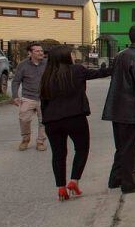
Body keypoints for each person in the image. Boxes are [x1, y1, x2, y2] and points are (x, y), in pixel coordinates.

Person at [40, 45, 111, 200]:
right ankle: (74, 181)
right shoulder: (77, 70)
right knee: (81, 149)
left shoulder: (47, 75)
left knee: (58, 154)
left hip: (52, 121)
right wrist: (114, 66)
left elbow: (43, 101)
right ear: (65, 56)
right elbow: (101, 73)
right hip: (75, 117)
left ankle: (60, 188)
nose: (73, 56)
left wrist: (45, 120)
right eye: (71, 54)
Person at [102, 25, 135, 194]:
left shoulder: (122, 55)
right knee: (131, 149)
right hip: (132, 109)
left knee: (122, 146)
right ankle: (130, 182)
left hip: (117, 107)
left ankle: (116, 178)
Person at [11, 43, 47, 151]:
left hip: (44, 98)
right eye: (37, 51)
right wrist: (15, 96)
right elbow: (16, 81)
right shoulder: (23, 65)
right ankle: (25, 139)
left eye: (41, 51)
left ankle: (40, 141)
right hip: (28, 97)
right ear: (30, 53)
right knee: (24, 118)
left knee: (44, 121)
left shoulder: (47, 63)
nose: (41, 53)